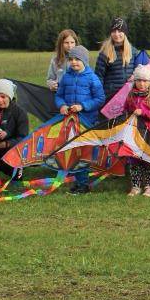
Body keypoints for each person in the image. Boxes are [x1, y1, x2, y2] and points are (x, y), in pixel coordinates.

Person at [55, 46, 105, 195]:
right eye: (71, 59)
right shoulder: (66, 77)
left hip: (86, 121)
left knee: (83, 151)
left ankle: (83, 184)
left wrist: (83, 106)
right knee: (72, 150)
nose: (74, 62)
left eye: (77, 59)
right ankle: (78, 181)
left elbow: (100, 98)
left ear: (84, 60)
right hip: (70, 121)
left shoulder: (92, 78)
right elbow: (59, 95)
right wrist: (62, 105)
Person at [124, 64, 150, 197]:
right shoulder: (130, 96)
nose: (141, 83)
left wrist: (143, 112)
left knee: (148, 160)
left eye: (145, 80)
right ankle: (136, 186)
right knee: (134, 159)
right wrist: (127, 116)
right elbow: (125, 110)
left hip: (149, 134)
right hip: (134, 134)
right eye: (139, 80)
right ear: (135, 81)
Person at [96, 17, 143, 105]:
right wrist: (100, 97)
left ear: (125, 33)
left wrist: (135, 75)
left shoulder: (134, 51)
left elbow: (141, 70)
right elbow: (98, 77)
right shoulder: (104, 53)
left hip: (130, 96)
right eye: (114, 31)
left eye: (120, 31)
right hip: (110, 98)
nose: (117, 34)